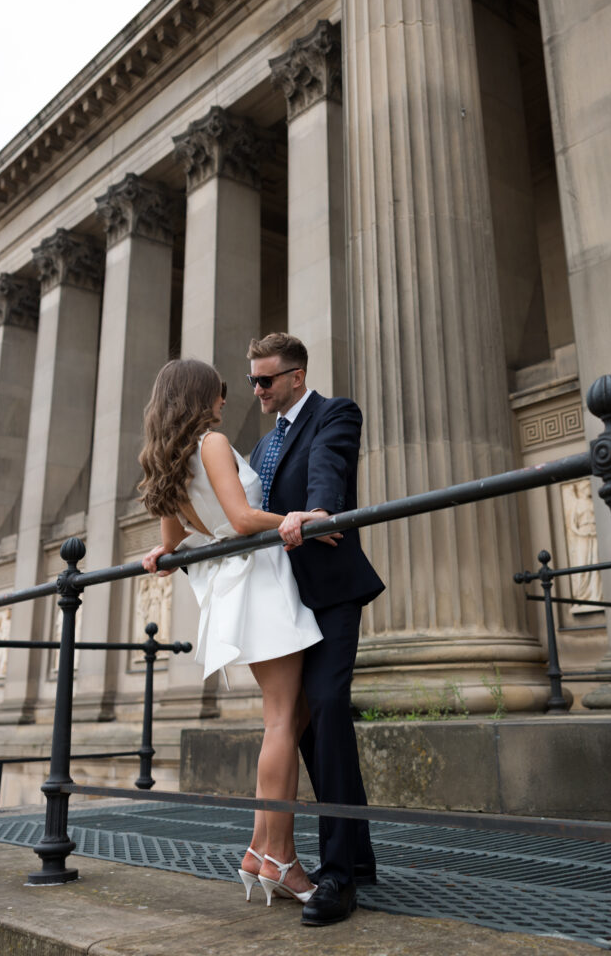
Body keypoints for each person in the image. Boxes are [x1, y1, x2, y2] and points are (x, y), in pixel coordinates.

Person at [139, 358, 336, 908]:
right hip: (261, 585)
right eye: (219, 392)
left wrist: (164, 551)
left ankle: (261, 850)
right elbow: (242, 518)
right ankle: (280, 860)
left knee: (288, 717)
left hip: (240, 591)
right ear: (200, 397)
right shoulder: (212, 444)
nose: (227, 400)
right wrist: (302, 520)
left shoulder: (171, 462)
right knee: (280, 721)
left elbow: (178, 534)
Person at [247, 332, 385, 927]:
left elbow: (329, 468)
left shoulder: (335, 413)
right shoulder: (261, 445)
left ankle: (336, 877)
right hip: (283, 602)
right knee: (305, 727)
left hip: (329, 593)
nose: (257, 389)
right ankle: (356, 854)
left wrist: (320, 510)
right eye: (253, 379)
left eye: (266, 380)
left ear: (295, 378)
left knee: (328, 705)